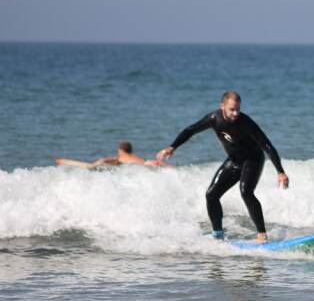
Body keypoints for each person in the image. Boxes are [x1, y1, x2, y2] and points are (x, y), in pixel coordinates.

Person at [156, 91, 289, 243]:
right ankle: (218, 235)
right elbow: (190, 130)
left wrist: (280, 171)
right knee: (211, 195)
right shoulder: (214, 118)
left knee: (246, 192)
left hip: (253, 159)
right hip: (234, 160)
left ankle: (262, 234)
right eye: (232, 109)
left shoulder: (246, 122)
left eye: (238, 109)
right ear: (222, 106)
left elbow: (267, 146)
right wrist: (172, 147)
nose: (236, 113)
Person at [55, 141, 167, 168]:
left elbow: (104, 160)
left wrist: (95, 164)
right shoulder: (134, 156)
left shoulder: (120, 157)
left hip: (143, 166)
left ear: (120, 150)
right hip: (149, 163)